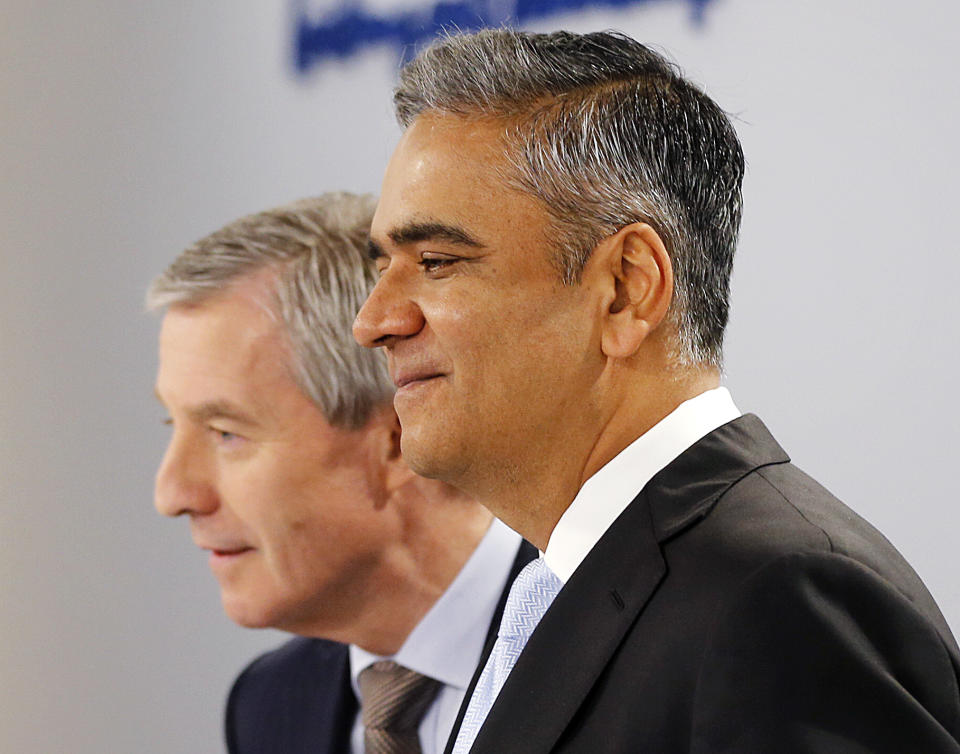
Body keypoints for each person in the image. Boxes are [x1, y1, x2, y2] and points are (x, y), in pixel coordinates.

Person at [352, 29, 960, 754]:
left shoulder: (785, 601)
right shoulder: (561, 586)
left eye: (438, 260)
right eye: (383, 264)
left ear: (625, 290)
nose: (374, 322)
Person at [148, 192, 534, 754]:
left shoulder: (632, 655)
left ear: (399, 442)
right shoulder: (269, 705)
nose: (172, 494)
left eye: (226, 433)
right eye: (172, 424)